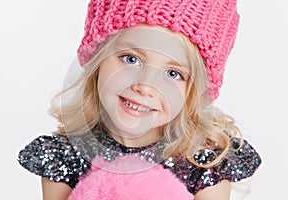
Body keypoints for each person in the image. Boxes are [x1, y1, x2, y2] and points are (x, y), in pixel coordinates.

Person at [18, 0, 261, 199]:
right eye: (131, 59)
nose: (145, 86)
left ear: (193, 91)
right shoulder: (64, 155)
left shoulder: (206, 160)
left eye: (173, 73)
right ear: (97, 58)